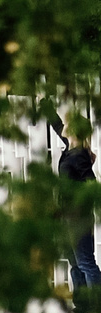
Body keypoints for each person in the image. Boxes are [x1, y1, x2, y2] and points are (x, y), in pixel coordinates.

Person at [63, 114, 97, 289]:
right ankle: (83, 305)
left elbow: (90, 184)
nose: (64, 124)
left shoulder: (79, 155)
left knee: (85, 263)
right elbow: (56, 125)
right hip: (67, 215)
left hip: (78, 216)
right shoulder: (71, 150)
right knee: (75, 263)